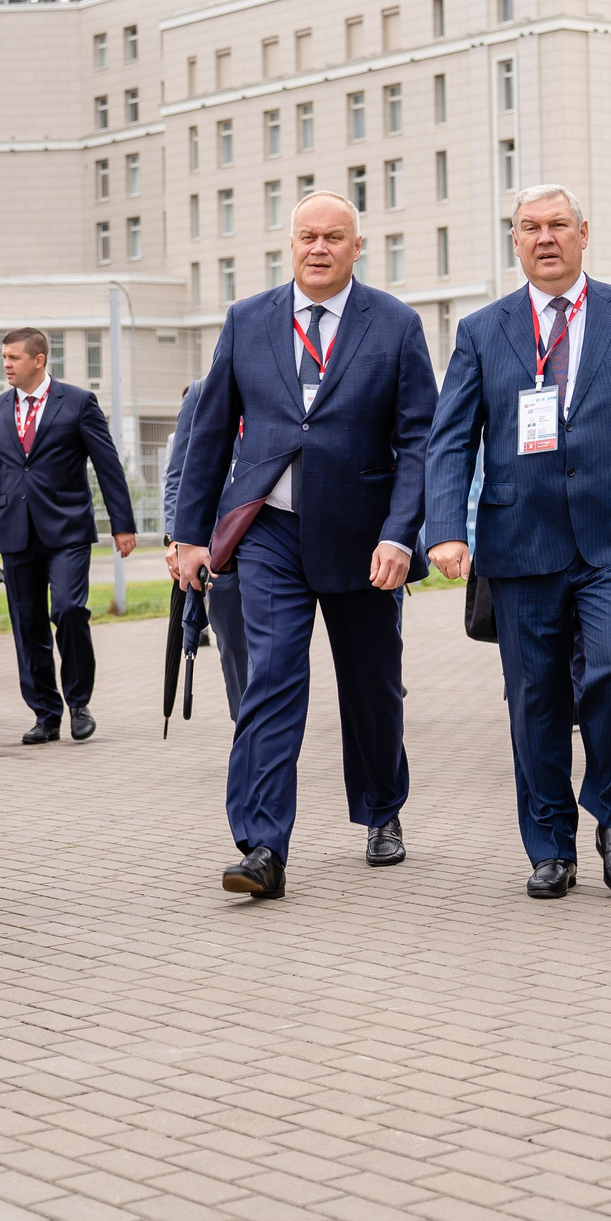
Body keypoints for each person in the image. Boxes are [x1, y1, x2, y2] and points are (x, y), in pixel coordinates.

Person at [427, 184, 611, 900]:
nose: (544, 237)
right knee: (534, 701)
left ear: (584, 233)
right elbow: (451, 438)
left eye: (557, 225)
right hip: (519, 542)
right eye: (530, 227)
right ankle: (551, 843)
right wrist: (443, 533)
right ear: (514, 240)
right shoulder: (482, 330)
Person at [172, 191, 436, 900]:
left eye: (334, 237)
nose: (319, 248)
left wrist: (399, 534)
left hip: (363, 538)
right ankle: (261, 843)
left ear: (358, 247)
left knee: (373, 685)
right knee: (273, 677)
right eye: (307, 236)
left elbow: (419, 443)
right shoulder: (247, 319)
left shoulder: (398, 325)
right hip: (270, 532)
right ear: (289, 245)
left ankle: (382, 808)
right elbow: (210, 431)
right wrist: (190, 535)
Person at [0, 327, 137, 745]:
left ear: (39, 360)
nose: (7, 365)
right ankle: (45, 714)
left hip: (67, 529)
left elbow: (108, 465)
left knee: (69, 610)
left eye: (14, 358)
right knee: (27, 625)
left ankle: (79, 702)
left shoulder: (78, 403)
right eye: (4, 358)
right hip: (15, 533)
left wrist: (122, 524)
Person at [163, 376, 247, 718]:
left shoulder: (283, 381)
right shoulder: (201, 392)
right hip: (217, 549)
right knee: (234, 647)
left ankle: (269, 740)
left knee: (276, 651)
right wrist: (175, 538)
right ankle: (247, 733)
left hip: (276, 538)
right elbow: (178, 475)